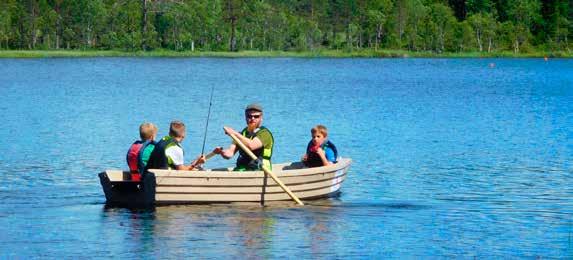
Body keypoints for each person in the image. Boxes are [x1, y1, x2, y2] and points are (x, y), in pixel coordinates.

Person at [213, 103, 274, 171]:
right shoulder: (242, 134)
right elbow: (229, 154)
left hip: (260, 170)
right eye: (249, 116)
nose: (252, 118)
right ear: (245, 117)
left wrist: (234, 133)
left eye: (256, 116)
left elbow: (252, 145)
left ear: (261, 118)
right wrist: (221, 152)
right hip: (244, 169)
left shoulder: (264, 134)